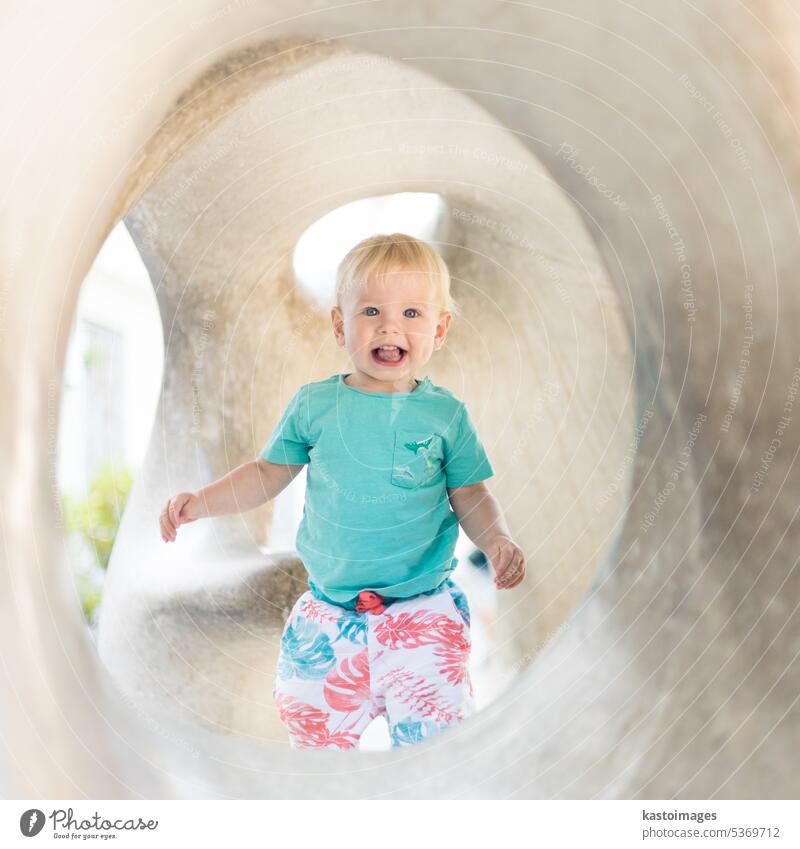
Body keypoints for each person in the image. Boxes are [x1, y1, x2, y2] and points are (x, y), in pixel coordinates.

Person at [159, 233, 526, 750]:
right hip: (330, 613)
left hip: (421, 611)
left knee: (436, 744)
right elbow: (266, 473)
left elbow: (471, 494)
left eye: (412, 314)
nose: (390, 326)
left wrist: (498, 541)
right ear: (340, 325)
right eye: (371, 310)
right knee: (310, 734)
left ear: (440, 329)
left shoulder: (445, 415)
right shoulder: (315, 405)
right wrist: (201, 502)